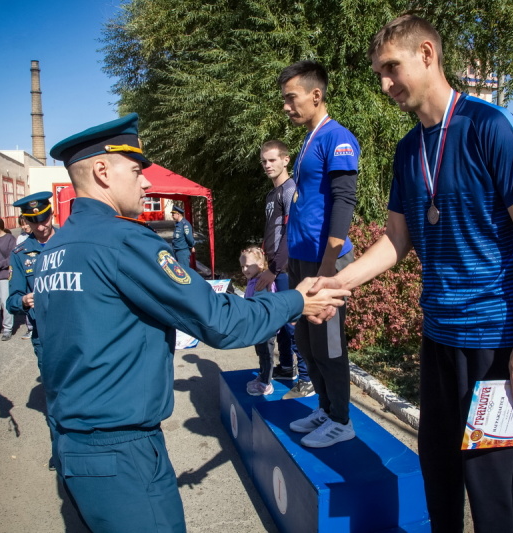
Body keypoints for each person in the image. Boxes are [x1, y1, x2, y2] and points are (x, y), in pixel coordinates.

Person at [35, 113, 349, 532]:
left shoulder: (57, 247)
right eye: (136, 171)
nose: (146, 183)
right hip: (121, 449)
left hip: (73, 440)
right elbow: (219, 320)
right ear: (102, 171)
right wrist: (297, 300)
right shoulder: (123, 241)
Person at [311, 15, 513, 532]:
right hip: (438, 338)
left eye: (391, 68)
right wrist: (338, 282)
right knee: (439, 482)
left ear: (427, 54)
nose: (384, 85)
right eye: (379, 73)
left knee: (495, 500)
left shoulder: (491, 127)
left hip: (494, 343)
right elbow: (397, 241)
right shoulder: (408, 150)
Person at [278, 60, 360, 448]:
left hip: (323, 261)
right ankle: (326, 409)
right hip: (301, 258)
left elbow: (344, 202)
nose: (286, 106)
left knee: (328, 342)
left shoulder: (337, 137)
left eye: (291, 98)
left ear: (316, 94)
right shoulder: (309, 141)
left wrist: (330, 267)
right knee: (307, 342)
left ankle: (342, 420)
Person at [257, 140, 314, 397]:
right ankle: (286, 367)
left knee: (293, 323)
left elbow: (291, 233)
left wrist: (275, 269)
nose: (267, 165)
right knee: (280, 320)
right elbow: (273, 231)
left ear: (285, 160)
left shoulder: (291, 190)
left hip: (286, 270)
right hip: (272, 266)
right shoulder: (272, 194)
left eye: (272, 160)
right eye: (264, 161)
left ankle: (306, 379)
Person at [6, 191, 57, 467]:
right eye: (34, 221)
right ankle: (60, 449)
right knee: (55, 395)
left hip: (79, 332)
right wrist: (23, 300)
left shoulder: (72, 243)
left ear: (52, 213)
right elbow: (12, 300)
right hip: (45, 336)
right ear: (26, 222)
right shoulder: (20, 253)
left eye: (45, 217)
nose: (42, 225)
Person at [240, 246, 277, 396]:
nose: (244, 269)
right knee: (261, 353)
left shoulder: (262, 282)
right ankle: (262, 376)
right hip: (258, 326)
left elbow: (266, 306)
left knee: (267, 354)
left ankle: (266, 383)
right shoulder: (253, 280)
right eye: (242, 266)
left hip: (266, 326)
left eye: (248, 265)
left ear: (261, 265)